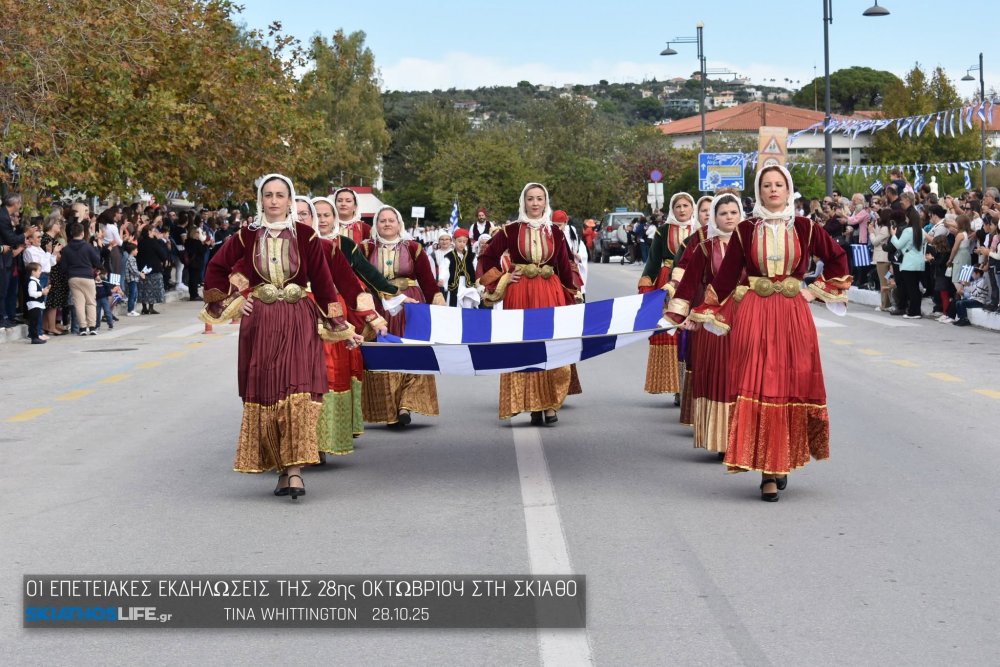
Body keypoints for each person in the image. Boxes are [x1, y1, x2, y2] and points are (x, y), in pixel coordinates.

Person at [684, 166, 851, 501]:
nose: (773, 190)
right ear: (758, 192)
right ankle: (767, 473)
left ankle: (781, 462)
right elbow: (726, 277)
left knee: (789, 384)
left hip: (793, 315)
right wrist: (697, 310)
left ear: (789, 190)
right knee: (759, 385)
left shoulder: (805, 227)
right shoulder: (746, 230)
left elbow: (838, 259)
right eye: (766, 185)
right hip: (755, 314)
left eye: (778, 184)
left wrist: (813, 290)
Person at [201, 174, 362, 500]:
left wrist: (339, 324)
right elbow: (215, 269)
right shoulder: (246, 236)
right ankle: (280, 466)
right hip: (260, 322)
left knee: (299, 391)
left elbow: (323, 281)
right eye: (268, 195)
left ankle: (295, 471)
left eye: (280, 195)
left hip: (299, 319)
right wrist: (235, 302)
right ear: (261, 200)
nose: (274, 201)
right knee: (269, 393)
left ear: (290, 200)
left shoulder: (306, 235)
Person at [477, 183, 582, 425]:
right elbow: (487, 257)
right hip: (520, 293)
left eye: (540, 199)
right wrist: (503, 277)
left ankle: (550, 405)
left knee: (550, 344)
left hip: (550, 293)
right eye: (530, 199)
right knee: (525, 345)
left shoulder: (556, 233)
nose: (535, 204)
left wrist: (572, 294)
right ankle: (532, 405)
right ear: (523, 202)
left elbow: (565, 267)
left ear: (546, 202)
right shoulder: (510, 231)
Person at [299, 196, 391, 458]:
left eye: (307, 214)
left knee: (327, 374)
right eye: (297, 213)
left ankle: (320, 442)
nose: (301, 218)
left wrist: (374, 318)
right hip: (287, 321)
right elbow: (245, 277)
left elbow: (352, 286)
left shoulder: (327, 248)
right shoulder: (269, 245)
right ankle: (290, 446)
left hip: (327, 318)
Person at [665, 193, 744, 457]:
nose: (729, 217)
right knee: (720, 374)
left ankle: (746, 435)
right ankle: (723, 438)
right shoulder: (704, 248)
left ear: (741, 214)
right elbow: (688, 284)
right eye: (723, 213)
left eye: (733, 212)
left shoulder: (754, 244)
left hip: (748, 316)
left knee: (747, 375)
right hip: (714, 320)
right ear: (714, 218)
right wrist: (675, 316)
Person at [359, 206, 444, 428]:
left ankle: (406, 404)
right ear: (376, 225)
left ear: (399, 224)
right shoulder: (366, 249)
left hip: (410, 306)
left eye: (391, 220)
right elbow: (357, 278)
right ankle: (389, 408)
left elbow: (427, 280)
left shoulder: (413, 248)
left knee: (412, 351)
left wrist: (437, 302)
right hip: (379, 307)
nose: (387, 224)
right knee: (385, 356)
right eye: (382, 221)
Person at [638, 192, 697, 405]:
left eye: (685, 205)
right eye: (678, 206)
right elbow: (653, 262)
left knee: (688, 335)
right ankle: (676, 386)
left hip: (693, 282)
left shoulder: (700, 231)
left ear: (693, 208)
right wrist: (648, 291)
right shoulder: (663, 232)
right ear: (672, 209)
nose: (682, 210)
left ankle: (688, 386)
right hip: (667, 283)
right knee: (671, 333)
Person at [59, 221, 102, 335]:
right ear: (83, 233)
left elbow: (63, 267)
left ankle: (82, 328)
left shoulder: (67, 249)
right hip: (87, 276)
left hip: (73, 278)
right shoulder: (88, 247)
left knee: (79, 304)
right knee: (91, 302)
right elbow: (97, 261)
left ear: (72, 234)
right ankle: (92, 327)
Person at [890, 199, 926, 319]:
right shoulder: (921, 230)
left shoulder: (907, 230)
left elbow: (898, 245)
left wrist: (893, 235)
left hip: (909, 263)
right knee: (915, 288)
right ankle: (916, 311)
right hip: (919, 263)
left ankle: (913, 312)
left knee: (911, 289)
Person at [136, 224, 169, 314]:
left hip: (142, 268)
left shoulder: (140, 241)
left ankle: (144, 307)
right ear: (149, 232)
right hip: (153, 268)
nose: (155, 232)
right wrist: (164, 259)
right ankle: (151, 307)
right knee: (152, 288)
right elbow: (161, 253)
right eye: (153, 231)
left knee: (143, 288)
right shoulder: (153, 242)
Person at [442, 228, 477, 307]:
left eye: (464, 242)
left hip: (467, 286)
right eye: (459, 241)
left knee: (467, 307)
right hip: (454, 286)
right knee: (453, 306)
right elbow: (445, 270)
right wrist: (442, 279)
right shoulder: (449, 256)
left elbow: (475, 269)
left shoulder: (472, 256)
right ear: (454, 241)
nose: (462, 244)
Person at [869, 209, 893, 311]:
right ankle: (887, 303)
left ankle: (885, 305)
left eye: (879, 215)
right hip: (886, 259)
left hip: (883, 259)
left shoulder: (885, 229)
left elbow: (875, 241)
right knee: (887, 280)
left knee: (884, 281)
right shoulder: (887, 228)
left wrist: (871, 233)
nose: (877, 217)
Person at [24, 262, 48, 344]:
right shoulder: (32, 282)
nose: (40, 272)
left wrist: (43, 291)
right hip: (34, 305)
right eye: (39, 270)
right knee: (34, 322)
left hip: (37, 304)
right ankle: (34, 338)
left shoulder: (36, 281)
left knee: (36, 321)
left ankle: (36, 336)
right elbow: (32, 293)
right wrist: (42, 293)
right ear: (33, 272)